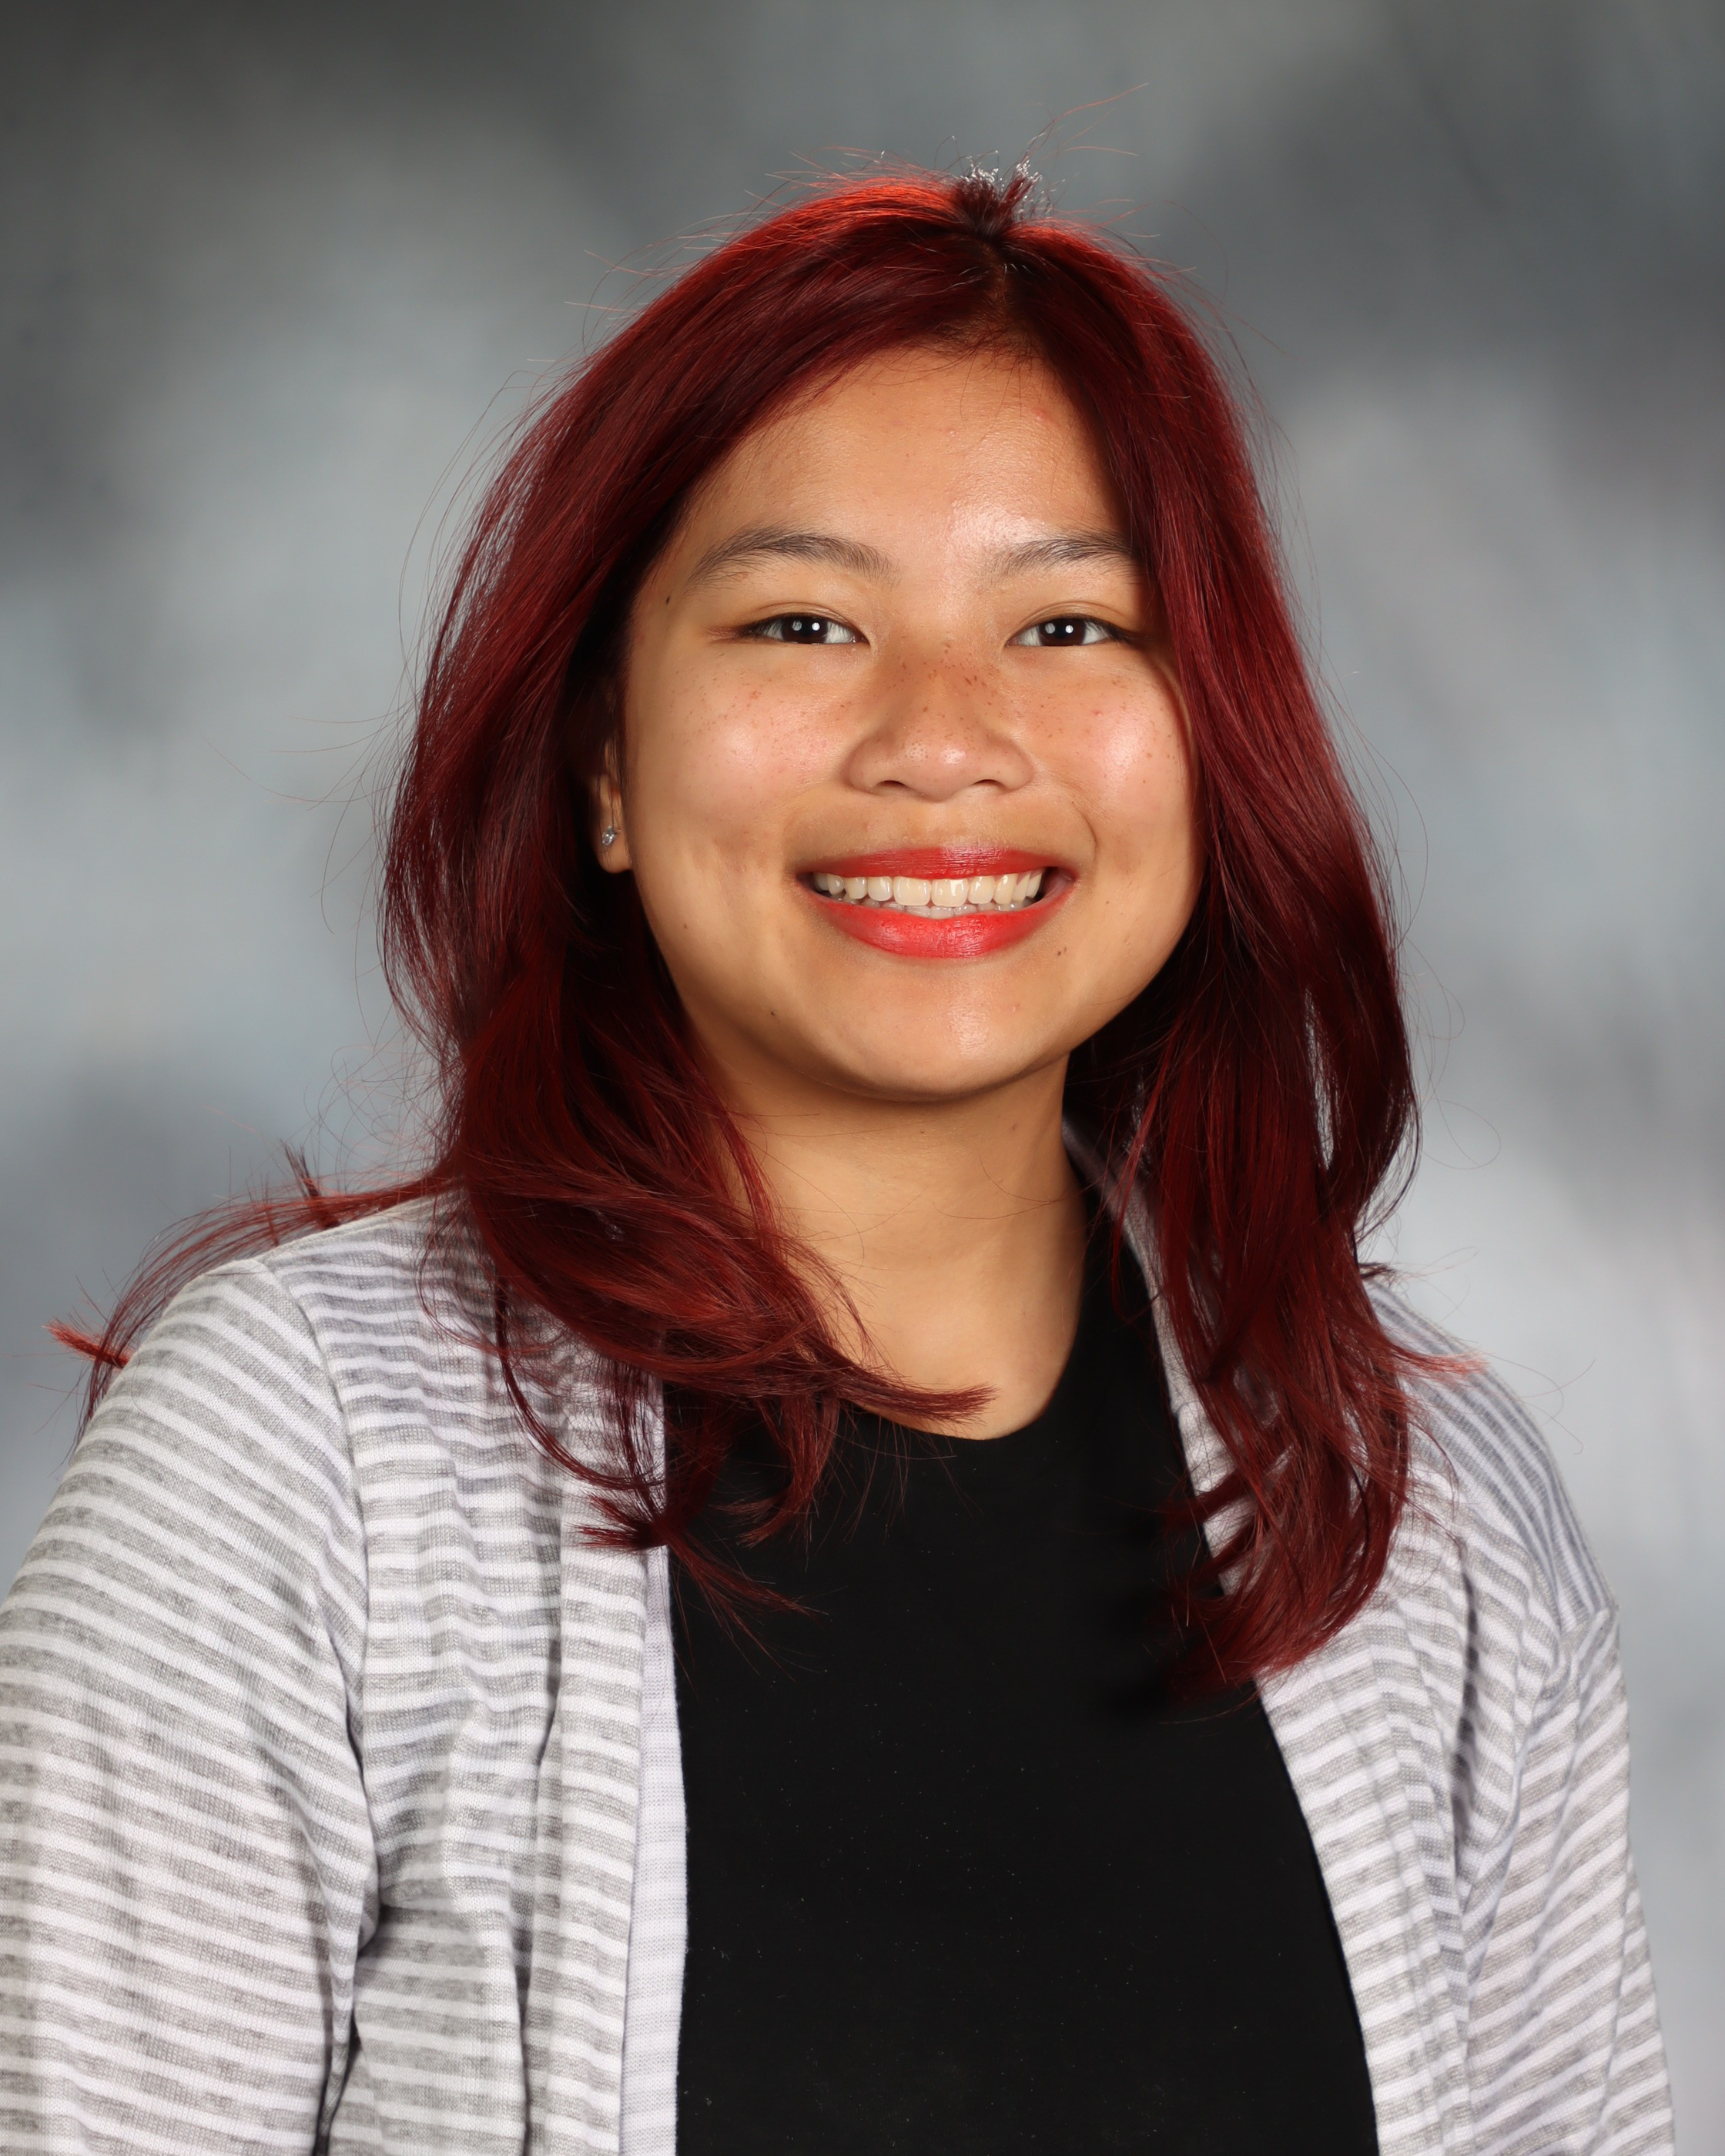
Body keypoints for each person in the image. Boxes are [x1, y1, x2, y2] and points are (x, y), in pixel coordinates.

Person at [0, 167, 1673, 2156]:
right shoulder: (303, 1468)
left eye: (1070, 623)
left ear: (1212, 743)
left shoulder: (1428, 1523)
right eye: (804, 620)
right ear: (606, 765)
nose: (942, 739)